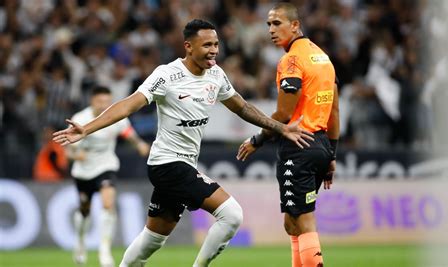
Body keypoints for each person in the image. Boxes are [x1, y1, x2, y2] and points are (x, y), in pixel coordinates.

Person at [53, 19, 313, 267]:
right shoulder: (166, 75)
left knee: (151, 241)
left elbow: (242, 107)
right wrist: (86, 128)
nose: (214, 51)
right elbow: (128, 105)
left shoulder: (216, 76)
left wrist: (280, 128)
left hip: (183, 163)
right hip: (167, 163)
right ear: (188, 46)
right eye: (207, 45)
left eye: (216, 44)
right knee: (232, 215)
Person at [236, 3, 340, 267]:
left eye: (277, 23)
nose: (271, 30)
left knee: (303, 220)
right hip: (320, 145)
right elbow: (334, 110)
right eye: (269, 24)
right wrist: (331, 154)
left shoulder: (291, 60)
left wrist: (256, 140)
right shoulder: (323, 58)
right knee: (291, 223)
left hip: (299, 147)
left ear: (295, 25)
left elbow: (283, 114)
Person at [67, 86, 150, 267]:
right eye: (100, 101)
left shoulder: (115, 117)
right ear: (92, 101)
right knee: (84, 210)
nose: (104, 105)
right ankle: (80, 242)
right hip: (84, 170)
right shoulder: (80, 119)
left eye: (107, 101)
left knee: (108, 204)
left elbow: (129, 134)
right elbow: (68, 150)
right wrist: (75, 156)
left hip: (106, 165)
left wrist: (139, 145)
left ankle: (104, 250)